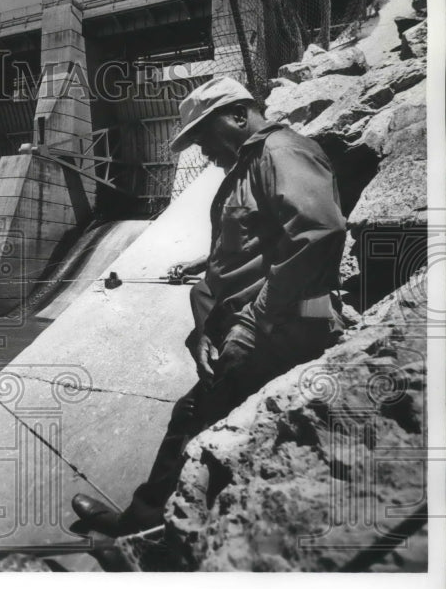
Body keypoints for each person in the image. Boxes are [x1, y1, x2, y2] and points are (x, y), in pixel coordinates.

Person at [71, 76, 347, 542]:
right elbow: (252, 247)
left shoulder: (281, 152)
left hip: (280, 324)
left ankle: (152, 535)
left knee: (198, 424)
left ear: (239, 115)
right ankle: (152, 525)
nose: (201, 150)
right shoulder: (251, 164)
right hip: (258, 322)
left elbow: (319, 233)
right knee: (195, 417)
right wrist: (208, 308)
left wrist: (255, 321)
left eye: (204, 135)